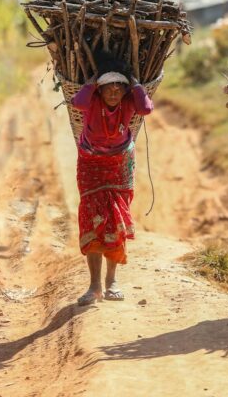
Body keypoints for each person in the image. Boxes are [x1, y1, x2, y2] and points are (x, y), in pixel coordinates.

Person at [71, 59, 153, 305]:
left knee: (116, 219)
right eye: (110, 87)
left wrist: (135, 84)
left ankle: (112, 282)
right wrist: (93, 81)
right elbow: (78, 102)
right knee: (92, 217)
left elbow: (146, 108)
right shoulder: (93, 100)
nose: (115, 92)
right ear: (100, 89)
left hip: (119, 163)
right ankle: (94, 286)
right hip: (91, 162)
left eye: (119, 87)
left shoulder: (128, 101)